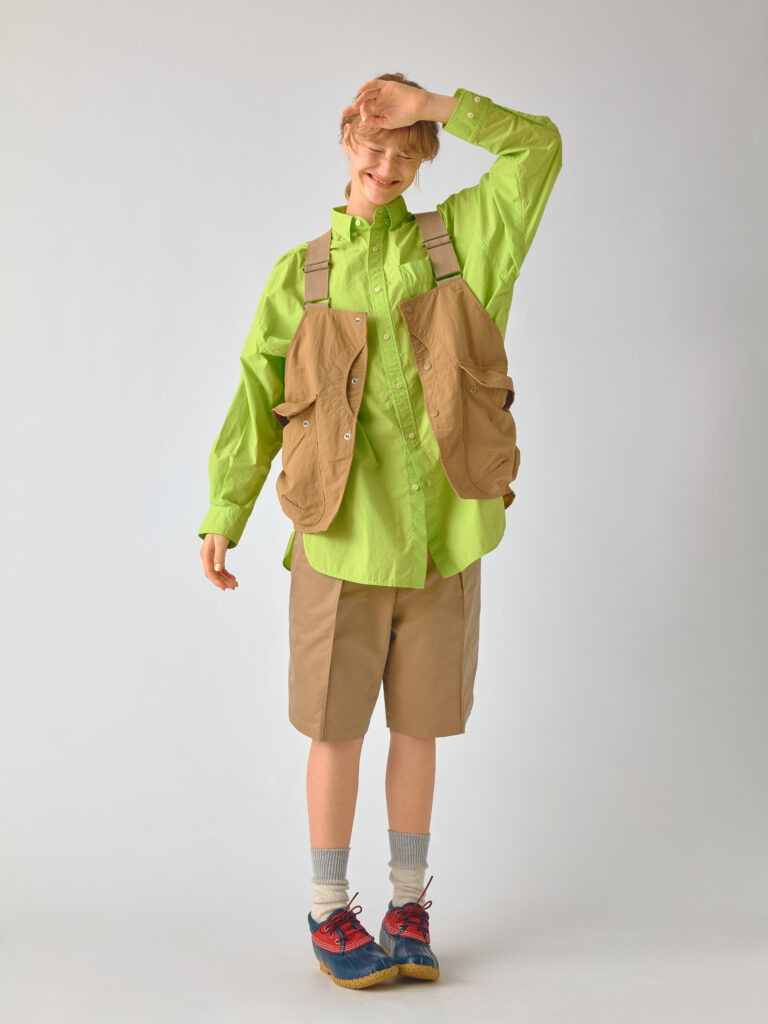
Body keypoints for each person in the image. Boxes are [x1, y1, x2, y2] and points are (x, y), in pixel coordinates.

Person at [198, 73, 562, 990]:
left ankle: (408, 908)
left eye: (407, 151)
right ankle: (329, 909)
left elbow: (539, 148)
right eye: (373, 143)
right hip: (339, 542)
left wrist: (434, 105)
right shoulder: (303, 274)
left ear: (425, 156)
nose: (388, 164)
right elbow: (256, 395)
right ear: (345, 139)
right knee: (335, 732)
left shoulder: (462, 245)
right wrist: (225, 510)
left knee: (419, 729)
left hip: (445, 537)